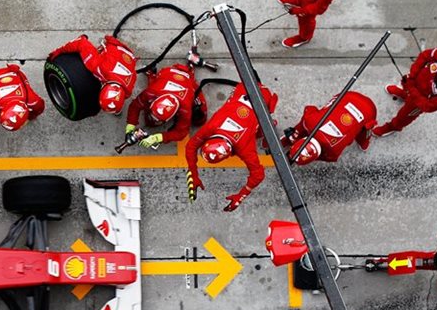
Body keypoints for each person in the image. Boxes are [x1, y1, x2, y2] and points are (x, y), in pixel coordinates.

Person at [184, 83, 278, 211]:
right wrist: (242, 194)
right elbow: (190, 146)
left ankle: (268, 124)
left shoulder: (244, 147)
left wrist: (241, 196)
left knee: (259, 130)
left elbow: (259, 175)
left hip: (256, 96)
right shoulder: (213, 127)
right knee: (254, 128)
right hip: (245, 90)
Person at [372, 47, 437, 137]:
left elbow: (427, 106)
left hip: (420, 100)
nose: (434, 84)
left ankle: (393, 127)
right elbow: (424, 56)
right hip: (416, 80)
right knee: (406, 86)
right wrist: (412, 77)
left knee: (405, 116)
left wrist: (411, 89)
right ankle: (405, 94)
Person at [48, 34, 138, 115]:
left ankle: (117, 109)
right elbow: (81, 42)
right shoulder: (100, 68)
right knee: (87, 60)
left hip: (126, 56)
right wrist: (58, 52)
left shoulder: (127, 90)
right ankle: (117, 110)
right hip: (121, 51)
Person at [125, 63, 207, 149]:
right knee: (150, 122)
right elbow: (135, 106)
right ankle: (152, 74)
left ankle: (189, 72)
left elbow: (181, 133)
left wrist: (158, 137)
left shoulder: (185, 108)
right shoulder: (151, 92)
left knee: (200, 119)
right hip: (167, 73)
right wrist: (130, 125)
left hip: (187, 80)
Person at [285, 91, 377, 164]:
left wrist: (296, 136)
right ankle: (363, 142)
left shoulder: (333, 153)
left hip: (368, 111)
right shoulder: (309, 122)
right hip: (348, 97)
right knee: (319, 115)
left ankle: (364, 142)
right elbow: (310, 109)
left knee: (365, 129)